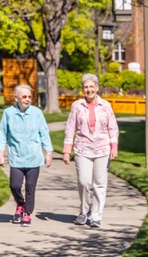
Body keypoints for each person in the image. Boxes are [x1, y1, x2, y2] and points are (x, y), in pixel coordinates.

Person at [63, 73, 119, 228]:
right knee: (84, 181)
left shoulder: (106, 106)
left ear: (97, 88)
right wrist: (67, 150)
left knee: (99, 183)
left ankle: (96, 216)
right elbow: (70, 128)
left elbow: (113, 127)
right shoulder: (77, 106)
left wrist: (114, 146)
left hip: (102, 148)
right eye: (86, 87)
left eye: (91, 86)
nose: (89, 90)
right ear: (83, 89)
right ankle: (84, 211)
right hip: (82, 148)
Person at [0, 84, 53, 228]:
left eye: (29, 97)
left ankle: (27, 213)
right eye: (24, 97)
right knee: (14, 186)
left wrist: (49, 152)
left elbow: (44, 133)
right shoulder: (8, 113)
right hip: (16, 157)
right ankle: (20, 204)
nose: (27, 99)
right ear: (16, 98)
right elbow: (2, 133)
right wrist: (0, 152)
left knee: (30, 187)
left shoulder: (37, 113)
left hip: (34, 158)